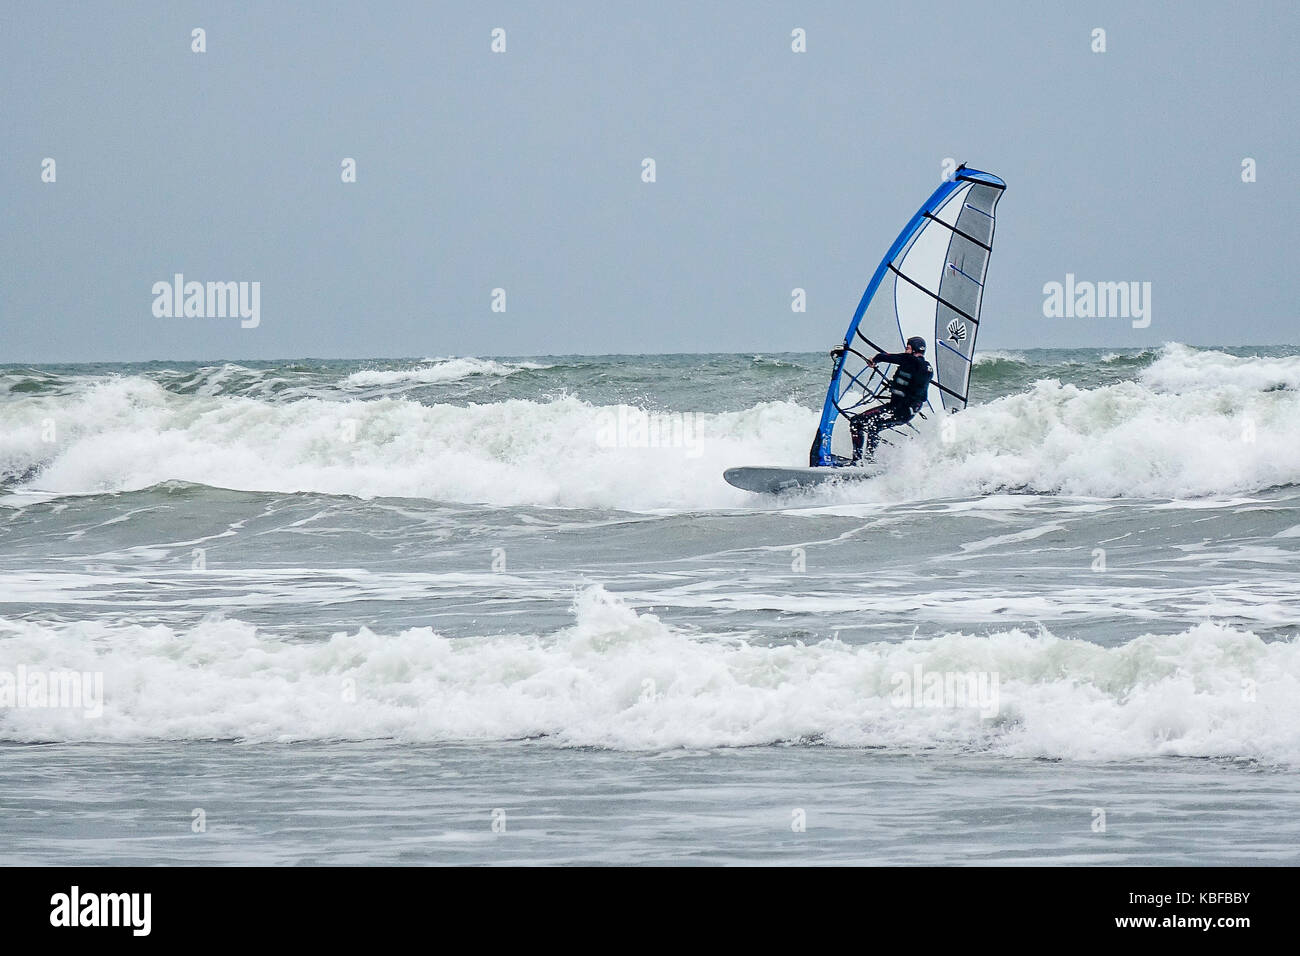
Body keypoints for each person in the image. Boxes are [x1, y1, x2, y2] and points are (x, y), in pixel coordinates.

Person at [831, 336, 932, 462]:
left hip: (897, 410)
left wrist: (874, 359)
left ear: (913, 350)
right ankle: (869, 460)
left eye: (907, 348)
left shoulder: (910, 360)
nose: (906, 351)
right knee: (875, 425)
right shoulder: (927, 368)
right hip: (907, 412)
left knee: (856, 422)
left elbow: (885, 356)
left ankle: (856, 461)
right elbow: (913, 387)